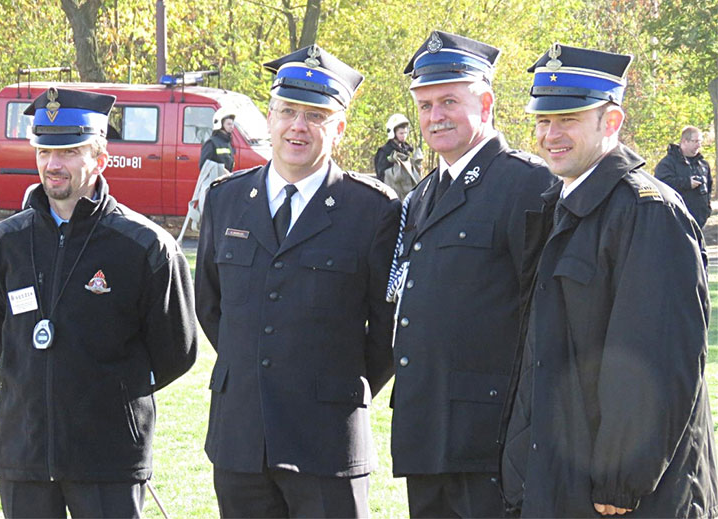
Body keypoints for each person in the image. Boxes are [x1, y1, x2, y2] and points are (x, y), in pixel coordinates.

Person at [499, 43, 718, 517]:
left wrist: (621, 480)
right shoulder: (564, 203)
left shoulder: (646, 210)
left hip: (629, 498)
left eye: (569, 120)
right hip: (569, 475)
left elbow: (657, 356)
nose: (550, 134)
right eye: (542, 120)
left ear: (612, 123)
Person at [195, 45, 400, 518]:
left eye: (316, 115)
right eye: (287, 111)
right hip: (241, 438)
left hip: (327, 440)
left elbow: (388, 328)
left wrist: (334, 383)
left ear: (339, 128)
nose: (297, 126)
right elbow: (212, 306)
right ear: (267, 119)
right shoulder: (226, 200)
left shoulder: (372, 210)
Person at [0, 87, 198, 518]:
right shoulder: (6, 243)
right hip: (24, 454)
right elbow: (2, 340)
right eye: (44, 151)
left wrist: (110, 393)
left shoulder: (145, 247)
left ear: (100, 158)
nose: (53, 164)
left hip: (109, 458)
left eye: (71, 151)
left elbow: (176, 351)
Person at [385, 31, 556, 518]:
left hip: (491, 438)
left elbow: (543, 316)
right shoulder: (424, 193)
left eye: (448, 102)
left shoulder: (526, 184)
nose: (434, 116)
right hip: (428, 431)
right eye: (424, 105)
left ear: (485, 102)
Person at [655, 125, 712, 228]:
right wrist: (687, 183)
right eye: (695, 141)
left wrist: (707, 209)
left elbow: (709, 188)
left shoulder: (703, 164)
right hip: (676, 220)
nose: (699, 145)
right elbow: (661, 186)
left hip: (700, 219)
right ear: (684, 141)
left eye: (700, 142)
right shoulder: (667, 163)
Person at [199, 106, 236, 173]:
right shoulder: (211, 143)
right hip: (215, 181)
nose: (232, 127)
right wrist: (222, 170)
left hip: (226, 181)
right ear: (220, 125)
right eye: (229, 124)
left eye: (232, 124)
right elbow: (204, 166)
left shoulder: (227, 143)